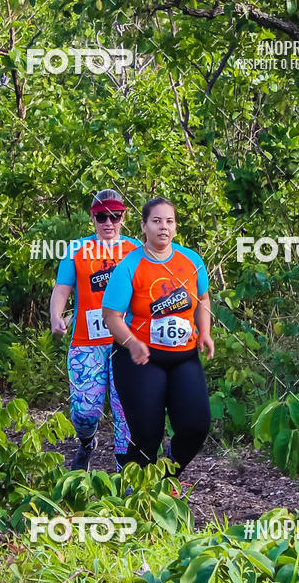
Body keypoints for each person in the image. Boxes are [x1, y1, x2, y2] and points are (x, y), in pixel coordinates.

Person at [102, 196, 214, 477]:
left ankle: (168, 475)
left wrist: (206, 333)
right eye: (156, 221)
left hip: (184, 357)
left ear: (175, 227)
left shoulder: (191, 260)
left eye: (169, 221)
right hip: (140, 358)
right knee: (147, 435)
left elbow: (203, 299)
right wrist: (132, 342)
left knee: (196, 426)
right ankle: (134, 493)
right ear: (144, 226)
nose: (163, 227)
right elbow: (111, 316)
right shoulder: (130, 266)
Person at [50, 189, 141, 470]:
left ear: (124, 217)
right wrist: (56, 316)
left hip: (126, 343)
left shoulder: (136, 249)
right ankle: (87, 441)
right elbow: (62, 288)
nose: (108, 222)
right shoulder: (77, 250)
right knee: (85, 412)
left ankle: (124, 474)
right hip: (86, 343)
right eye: (102, 216)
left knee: (126, 410)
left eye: (115, 216)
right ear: (93, 217)